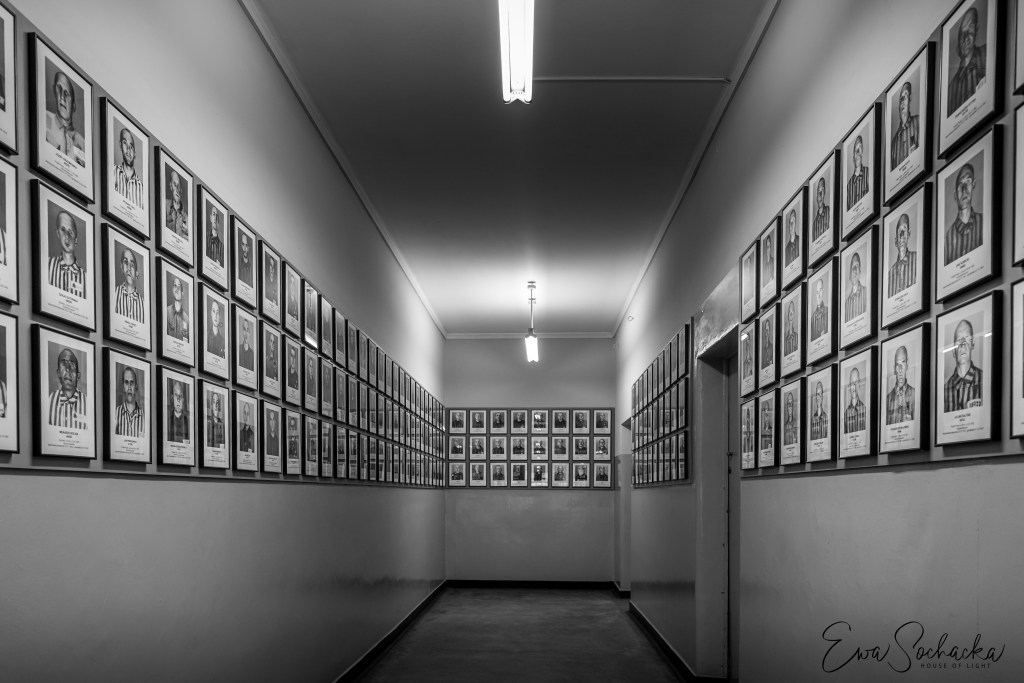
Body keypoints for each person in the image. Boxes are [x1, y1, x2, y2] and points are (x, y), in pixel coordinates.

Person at [948, 7, 986, 113]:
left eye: (970, 29)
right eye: (962, 33)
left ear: (977, 28)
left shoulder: (987, 54)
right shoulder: (951, 89)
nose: (965, 38)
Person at [45, 70, 85, 166]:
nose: (62, 96)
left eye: (66, 94)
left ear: (74, 106)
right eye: (59, 89)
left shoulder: (82, 143)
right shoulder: (44, 118)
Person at [945, 163, 983, 264]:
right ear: (955, 196)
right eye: (960, 184)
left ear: (973, 184)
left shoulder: (984, 223)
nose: (964, 189)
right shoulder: (947, 238)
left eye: (968, 181)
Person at [944, 319, 983, 412]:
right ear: (953, 350)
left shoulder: (984, 380)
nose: (963, 344)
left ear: (973, 344)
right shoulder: (945, 390)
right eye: (959, 340)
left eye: (967, 338)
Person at [48, 210, 85, 298]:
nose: (67, 236)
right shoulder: (47, 265)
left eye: (70, 232)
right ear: (58, 233)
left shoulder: (85, 278)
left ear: (76, 240)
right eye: (63, 230)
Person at [48, 348, 87, 429]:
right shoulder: (50, 400)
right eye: (63, 364)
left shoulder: (87, 403)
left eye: (72, 365)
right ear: (58, 373)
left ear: (78, 376)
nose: (68, 369)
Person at [890, 81, 920, 169]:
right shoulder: (893, 144)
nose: (902, 101)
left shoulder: (919, 121)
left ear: (910, 98)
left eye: (905, 95)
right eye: (900, 98)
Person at [113, 127, 144, 207]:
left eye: (131, 146)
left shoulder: (142, 189)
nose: (128, 149)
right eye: (125, 143)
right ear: (120, 146)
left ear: (135, 154)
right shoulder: (112, 172)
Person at [888, 214, 917, 296]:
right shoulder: (890, 273)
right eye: (899, 232)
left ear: (909, 233)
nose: (902, 235)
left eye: (904, 229)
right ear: (895, 241)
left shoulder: (917, 259)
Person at [113, 247, 144, 323]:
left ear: (136, 273)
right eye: (126, 262)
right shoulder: (113, 293)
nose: (129, 268)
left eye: (132, 265)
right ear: (121, 267)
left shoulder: (144, 304)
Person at [885, 346, 915, 425]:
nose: (900, 369)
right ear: (894, 368)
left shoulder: (914, 394)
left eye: (903, 363)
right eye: (898, 365)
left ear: (907, 365)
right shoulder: (888, 399)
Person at [114, 366, 144, 437]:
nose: (129, 388)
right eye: (126, 383)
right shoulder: (116, 413)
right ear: (123, 386)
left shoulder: (144, 416)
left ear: (136, 387)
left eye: (132, 383)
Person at [847, 135, 869, 208]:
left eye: (859, 149)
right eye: (855, 150)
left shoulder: (868, 173)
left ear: (862, 151)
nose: (857, 153)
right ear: (853, 156)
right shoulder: (848, 186)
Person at [165, 276, 189, 341]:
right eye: (175, 286)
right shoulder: (166, 312)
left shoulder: (187, 319)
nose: (177, 289)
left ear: (182, 293)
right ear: (173, 290)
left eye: (179, 287)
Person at [165, 170, 188, 238]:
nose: (177, 190)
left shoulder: (186, 217)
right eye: (175, 185)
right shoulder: (164, 205)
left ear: (181, 190)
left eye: (178, 186)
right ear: (171, 186)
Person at [844, 252, 866, 322]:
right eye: (853, 267)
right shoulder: (846, 304)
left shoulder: (866, 293)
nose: (855, 270)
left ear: (860, 270)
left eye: (857, 266)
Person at [844, 367, 866, 433]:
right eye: (852, 383)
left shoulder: (864, 409)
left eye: (856, 382)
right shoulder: (846, 414)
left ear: (859, 384)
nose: (854, 386)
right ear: (849, 386)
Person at [812, 177, 831, 241]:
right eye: (818, 191)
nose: (820, 194)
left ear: (824, 193)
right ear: (816, 197)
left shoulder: (829, 211)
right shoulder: (814, 223)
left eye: (822, 190)